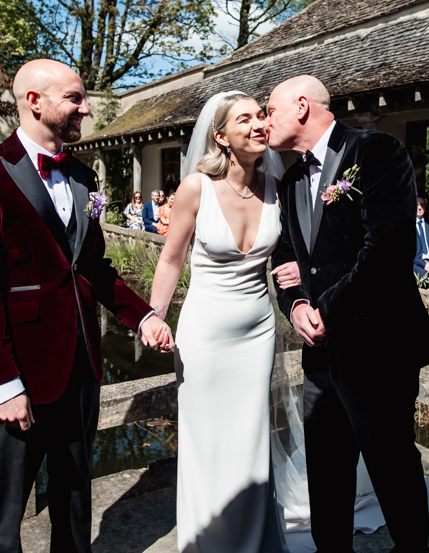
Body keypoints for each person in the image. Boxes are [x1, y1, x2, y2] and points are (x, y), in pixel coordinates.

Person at [0, 59, 172, 553]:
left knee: (74, 500)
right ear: (34, 101)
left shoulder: (84, 177)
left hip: (81, 367)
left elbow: (92, 267)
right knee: (2, 517)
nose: (86, 109)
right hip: (17, 375)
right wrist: (2, 383)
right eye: (75, 98)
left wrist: (143, 316)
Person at [268, 75, 429, 553]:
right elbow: (285, 258)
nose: (266, 121)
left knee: (391, 462)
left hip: (378, 345)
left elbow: (387, 249)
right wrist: (297, 305)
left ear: (301, 106)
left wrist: (326, 308)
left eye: (271, 110)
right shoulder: (290, 180)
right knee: (326, 467)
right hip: (320, 353)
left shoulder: (376, 151)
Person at [148, 91, 297, 552]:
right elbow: (171, 259)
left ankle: (253, 540)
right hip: (205, 334)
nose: (259, 124)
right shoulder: (196, 187)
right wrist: (154, 316)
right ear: (221, 137)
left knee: (250, 437)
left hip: (258, 331)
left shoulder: (277, 186)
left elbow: (293, 252)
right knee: (207, 440)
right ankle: (206, 541)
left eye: (261, 115)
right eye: (244, 119)